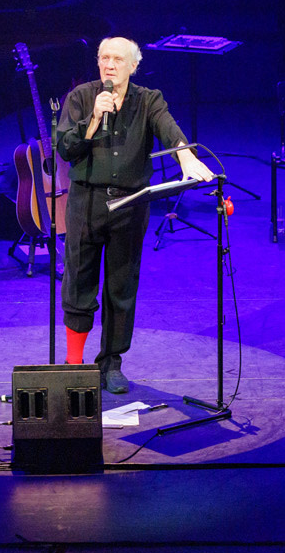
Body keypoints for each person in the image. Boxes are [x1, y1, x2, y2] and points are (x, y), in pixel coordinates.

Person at [56, 37, 215, 393]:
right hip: (86, 203)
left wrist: (186, 157)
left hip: (130, 205)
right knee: (79, 283)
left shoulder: (149, 100)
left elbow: (169, 129)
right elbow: (66, 149)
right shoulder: (82, 97)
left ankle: (111, 363)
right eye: (103, 58)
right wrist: (95, 117)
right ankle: (74, 363)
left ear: (133, 66)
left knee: (121, 287)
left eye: (117, 59)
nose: (109, 65)